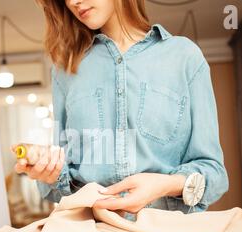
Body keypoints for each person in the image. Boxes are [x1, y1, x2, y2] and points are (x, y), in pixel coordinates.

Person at [13, 0, 228, 214]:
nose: (72, 2)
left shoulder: (184, 57)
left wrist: (166, 185)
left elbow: (215, 174)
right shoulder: (65, 69)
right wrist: (50, 174)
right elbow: (64, 185)